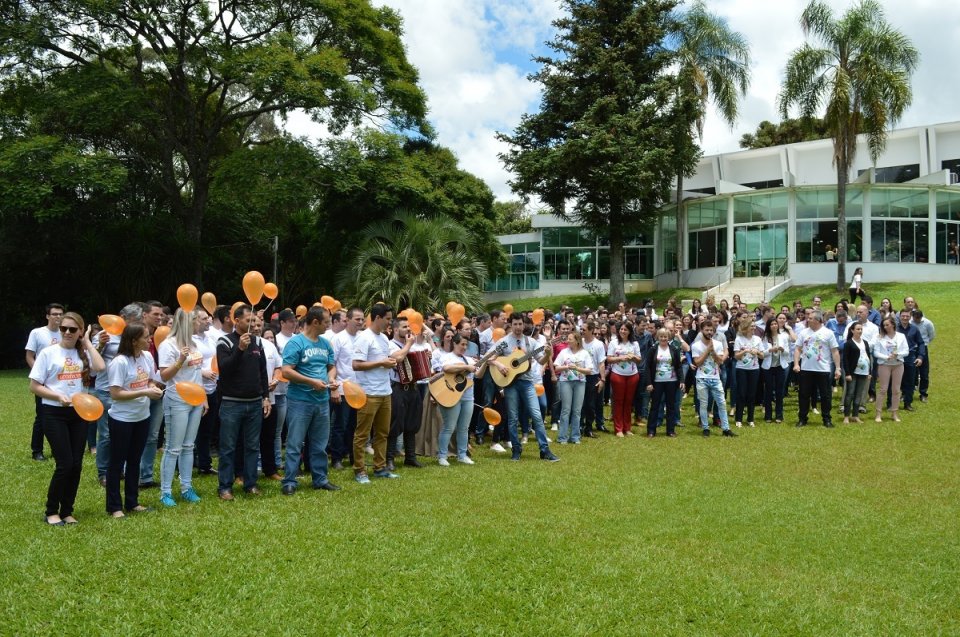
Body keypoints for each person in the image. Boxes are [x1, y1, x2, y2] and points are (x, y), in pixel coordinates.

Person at [29, 312, 106, 525]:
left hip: (79, 412)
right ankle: (51, 511)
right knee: (65, 464)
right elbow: (34, 386)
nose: (67, 333)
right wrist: (57, 395)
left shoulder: (83, 352)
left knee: (77, 464)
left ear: (80, 331)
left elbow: (100, 367)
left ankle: (67, 511)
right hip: (54, 413)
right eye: (64, 329)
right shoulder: (48, 353)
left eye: (73, 329)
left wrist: (88, 343)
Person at [280, 306, 340, 495]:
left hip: (322, 401)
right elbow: (286, 371)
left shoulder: (325, 344)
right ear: (315, 322)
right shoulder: (296, 343)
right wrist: (311, 382)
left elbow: (331, 366)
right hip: (300, 401)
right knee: (295, 443)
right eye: (326, 323)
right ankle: (289, 481)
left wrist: (331, 378)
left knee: (320, 444)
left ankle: (320, 479)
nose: (328, 326)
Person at [105, 323, 163, 518]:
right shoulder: (119, 362)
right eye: (146, 337)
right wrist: (145, 391)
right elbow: (115, 393)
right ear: (133, 341)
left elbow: (150, 380)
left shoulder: (146, 357)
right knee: (117, 461)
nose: (150, 340)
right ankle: (114, 506)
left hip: (142, 416)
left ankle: (132, 502)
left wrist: (152, 387)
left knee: (134, 460)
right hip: (122, 419)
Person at [215, 304, 271, 500]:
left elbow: (262, 371)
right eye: (248, 321)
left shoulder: (258, 342)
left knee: (252, 446)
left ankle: (250, 483)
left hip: (255, 402)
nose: (252, 325)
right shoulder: (225, 341)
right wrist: (239, 349)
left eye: (253, 321)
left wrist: (266, 397)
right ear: (236, 321)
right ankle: (225, 487)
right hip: (232, 403)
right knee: (228, 446)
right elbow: (224, 368)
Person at [490, 312, 559, 462]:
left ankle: (544, 450)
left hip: (527, 383)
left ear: (524, 324)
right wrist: (499, 364)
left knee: (536, 415)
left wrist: (548, 354)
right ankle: (516, 448)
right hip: (510, 384)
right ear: (510, 325)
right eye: (515, 324)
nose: (518, 327)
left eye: (520, 324)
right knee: (513, 418)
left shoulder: (530, 342)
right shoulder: (504, 342)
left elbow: (541, 362)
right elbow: (490, 358)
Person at [156, 309, 207, 507]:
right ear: (188, 322)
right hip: (177, 400)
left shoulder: (194, 343)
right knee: (173, 447)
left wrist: (203, 398)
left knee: (188, 446)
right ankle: (165, 492)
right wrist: (179, 360)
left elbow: (196, 373)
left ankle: (186, 488)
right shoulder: (168, 345)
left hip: (196, 400)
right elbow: (164, 376)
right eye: (196, 320)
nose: (200, 324)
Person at [352, 302, 399, 483]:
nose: (390, 322)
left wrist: (388, 362)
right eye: (387, 319)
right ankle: (360, 470)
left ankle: (380, 468)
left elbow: (383, 361)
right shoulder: (365, 337)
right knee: (362, 434)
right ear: (377, 318)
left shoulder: (384, 339)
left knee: (382, 433)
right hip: (368, 392)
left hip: (385, 391)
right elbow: (356, 364)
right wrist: (382, 363)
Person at [436, 334, 485, 465]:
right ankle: (442, 456)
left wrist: (485, 363)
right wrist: (466, 367)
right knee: (449, 427)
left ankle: (462, 455)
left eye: (466, 345)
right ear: (455, 344)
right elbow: (447, 368)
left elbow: (478, 374)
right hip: (451, 395)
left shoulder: (469, 359)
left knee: (464, 428)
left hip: (468, 397)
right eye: (461, 344)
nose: (464, 347)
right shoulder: (447, 357)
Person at [25, 303, 65, 461]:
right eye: (55, 314)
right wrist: (39, 377)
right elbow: (29, 356)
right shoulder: (37, 333)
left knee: (61, 415)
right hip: (42, 382)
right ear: (47, 316)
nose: (58, 317)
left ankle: (58, 449)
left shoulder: (66, 333)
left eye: (60, 314)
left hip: (60, 381)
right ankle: (37, 451)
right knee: (42, 416)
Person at [386, 315, 424, 470]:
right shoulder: (390, 345)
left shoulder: (412, 346)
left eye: (408, 326)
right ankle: (389, 459)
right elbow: (398, 358)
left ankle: (410, 456)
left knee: (412, 423)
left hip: (413, 388)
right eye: (404, 327)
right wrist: (408, 345)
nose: (408, 329)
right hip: (397, 388)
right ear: (395, 329)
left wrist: (425, 358)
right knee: (395, 424)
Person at [793, 310, 841, 428]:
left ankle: (826, 419)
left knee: (825, 396)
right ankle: (802, 418)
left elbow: (834, 351)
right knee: (804, 395)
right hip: (806, 369)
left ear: (818, 320)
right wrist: (796, 364)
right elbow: (798, 349)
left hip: (823, 369)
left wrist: (838, 368)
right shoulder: (804, 333)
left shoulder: (828, 333)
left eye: (810, 318)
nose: (808, 320)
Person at [329, 307, 363, 469]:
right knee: (340, 425)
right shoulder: (338, 339)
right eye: (357, 319)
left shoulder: (363, 338)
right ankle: (336, 458)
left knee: (355, 426)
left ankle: (352, 456)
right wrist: (333, 387)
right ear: (348, 320)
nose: (361, 322)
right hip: (343, 388)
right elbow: (331, 365)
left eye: (362, 319)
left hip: (360, 390)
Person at [690, 321, 734, 437]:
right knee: (703, 404)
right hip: (701, 378)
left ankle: (726, 428)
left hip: (715, 377)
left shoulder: (718, 344)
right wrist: (707, 350)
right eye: (707, 330)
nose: (709, 332)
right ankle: (705, 428)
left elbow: (720, 361)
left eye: (711, 330)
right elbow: (697, 363)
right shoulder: (696, 345)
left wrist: (713, 351)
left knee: (722, 403)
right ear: (702, 330)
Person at [193, 308, 219, 476]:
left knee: (206, 430)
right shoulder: (188, 339)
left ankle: (204, 463)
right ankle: (183, 467)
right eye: (204, 319)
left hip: (212, 388)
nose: (208, 321)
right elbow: (189, 363)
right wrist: (203, 372)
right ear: (194, 321)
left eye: (208, 318)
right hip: (195, 389)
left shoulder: (210, 338)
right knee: (192, 430)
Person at [553, 330, 592, 444]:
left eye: (570, 339)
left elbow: (589, 370)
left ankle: (575, 436)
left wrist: (577, 368)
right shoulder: (564, 352)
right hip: (565, 382)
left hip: (580, 383)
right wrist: (566, 367)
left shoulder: (584, 353)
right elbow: (556, 367)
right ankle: (562, 437)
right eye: (568, 339)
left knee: (577, 410)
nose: (568, 341)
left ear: (577, 341)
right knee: (566, 409)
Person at [644, 327, 683, 437]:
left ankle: (670, 430)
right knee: (655, 406)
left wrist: (682, 380)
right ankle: (651, 430)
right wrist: (649, 383)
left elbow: (679, 367)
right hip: (657, 382)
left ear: (669, 337)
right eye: (661, 336)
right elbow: (647, 367)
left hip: (671, 381)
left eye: (665, 336)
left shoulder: (674, 349)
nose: (663, 338)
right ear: (658, 337)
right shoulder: (653, 349)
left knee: (671, 406)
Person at [606, 322, 641, 438]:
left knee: (628, 402)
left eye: (625, 329)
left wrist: (633, 357)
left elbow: (639, 359)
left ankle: (627, 428)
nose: (623, 331)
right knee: (619, 401)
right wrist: (621, 358)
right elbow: (609, 359)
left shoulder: (634, 343)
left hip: (632, 375)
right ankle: (618, 428)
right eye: (621, 329)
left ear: (630, 331)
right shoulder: (613, 342)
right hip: (618, 374)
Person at [874, 317, 908, 422]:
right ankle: (878, 414)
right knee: (883, 389)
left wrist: (898, 354)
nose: (886, 327)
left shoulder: (901, 336)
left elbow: (906, 351)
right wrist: (885, 357)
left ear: (893, 324)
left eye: (887, 325)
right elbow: (876, 352)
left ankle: (894, 413)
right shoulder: (879, 337)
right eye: (884, 325)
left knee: (896, 390)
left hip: (898, 364)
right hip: (885, 364)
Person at [733, 316, 765, 428]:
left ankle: (750, 419)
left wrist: (757, 352)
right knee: (741, 394)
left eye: (754, 326)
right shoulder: (739, 339)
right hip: (741, 369)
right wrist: (745, 351)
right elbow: (736, 356)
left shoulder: (758, 339)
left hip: (754, 369)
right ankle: (738, 419)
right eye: (751, 326)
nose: (753, 328)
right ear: (746, 327)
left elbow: (762, 356)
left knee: (752, 394)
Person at [841, 322, 873, 424]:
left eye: (861, 329)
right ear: (852, 330)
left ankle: (855, 415)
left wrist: (869, 372)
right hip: (853, 372)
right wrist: (847, 373)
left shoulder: (865, 343)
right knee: (850, 393)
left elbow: (868, 357)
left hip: (863, 372)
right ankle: (846, 416)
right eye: (858, 329)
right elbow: (845, 359)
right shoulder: (848, 343)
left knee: (859, 394)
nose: (860, 331)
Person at [580, 320, 607, 438]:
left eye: (584, 330)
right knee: (580, 403)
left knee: (590, 404)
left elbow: (601, 363)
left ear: (591, 330)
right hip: (580, 375)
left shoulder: (598, 344)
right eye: (581, 329)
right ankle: (579, 426)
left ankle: (588, 427)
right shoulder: (580, 342)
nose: (581, 331)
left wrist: (602, 379)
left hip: (592, 376)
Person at [896, 309, 925, 412]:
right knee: (895, 381)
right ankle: (891, 403)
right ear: (899, 316)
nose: (905, 318)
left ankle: (908, 403)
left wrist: (920, 357)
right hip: (897, 357)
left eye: (907, 316)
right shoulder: (894, 328)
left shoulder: (914, 329)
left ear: (910, 317)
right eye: (903, 316)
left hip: (910, 357)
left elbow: (921, 343)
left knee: (910, 382)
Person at [761, 317, 787, 423]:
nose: (774, 326)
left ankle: (779, 415)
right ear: (769, 326)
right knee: (768, 391)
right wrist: (770, 350)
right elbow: (761, 353)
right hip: (768, 367)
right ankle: (768, 415)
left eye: (775, 324)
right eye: (772, 324)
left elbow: (787, 353)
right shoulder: (765, 338)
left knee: (779, 391)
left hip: (780, 366)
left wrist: (783, 349)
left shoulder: (783, 336)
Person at [910, 309, 934, 402]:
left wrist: (924, 344)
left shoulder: (927, 323)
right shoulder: (910, 322)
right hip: (912, 348)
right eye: (915, 319)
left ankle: (923, 393)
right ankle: (908, 392)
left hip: (922, 347)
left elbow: (931, 335)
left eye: (918, 319)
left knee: (924, 372)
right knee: (910, 371)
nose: (917, 321)